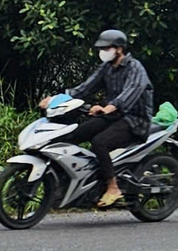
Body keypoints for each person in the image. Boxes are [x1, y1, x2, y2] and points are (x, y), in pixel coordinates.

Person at [44, 29, 154, 207]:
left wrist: (109, 107)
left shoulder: (135, 67)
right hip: (114, 116)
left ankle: (113, 187)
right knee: (73, 134)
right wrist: (55, 99)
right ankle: (73, 182)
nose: (101, 52)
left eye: (105, 48)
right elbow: (85, 88)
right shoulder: (107, 67)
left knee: (99, 142)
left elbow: (131, 92)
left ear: (118, 49)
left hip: (135, 121)